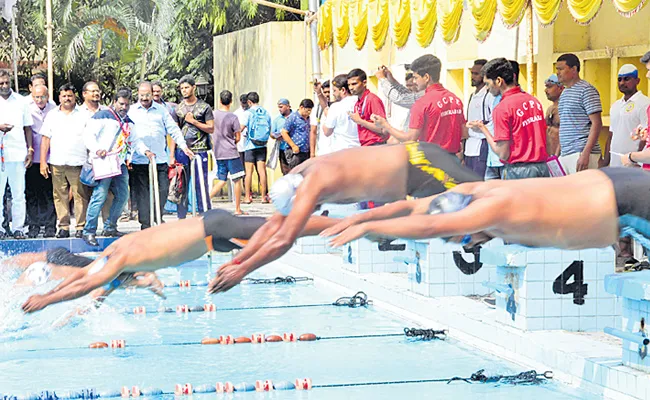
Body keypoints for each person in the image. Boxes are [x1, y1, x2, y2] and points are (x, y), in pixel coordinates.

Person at [210, 142, 482, 287]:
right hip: (412, 184)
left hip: (421, 163)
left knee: (483, 194)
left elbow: (284, 240)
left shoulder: (314, 184)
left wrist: (243, 271)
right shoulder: (297, 174)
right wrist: (237, 261)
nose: (309, 211)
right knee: (464, 219)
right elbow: (273, 228)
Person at [21, 209, 338, 312]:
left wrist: (46, 301)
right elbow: (87, 279)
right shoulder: (114, 252)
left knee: (283, 228)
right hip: (210, 234)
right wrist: (48, 295)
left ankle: (337, 222)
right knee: (279, 226)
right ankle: (326, 219)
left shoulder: (120, 258)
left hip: (213, 229)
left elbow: (87, 284)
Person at [322, 168, 646, 255]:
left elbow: (428, 227)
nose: (472, 243)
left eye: (463, 240)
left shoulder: (490, 209)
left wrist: (368, 229)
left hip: (627, 203)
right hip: (612, 183)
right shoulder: (473, 190)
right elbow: (412, 206)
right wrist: (358, 216)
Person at [82, 87, 145, 246]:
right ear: (114, 102)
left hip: (119, 164)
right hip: (103, 162)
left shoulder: (128, 122)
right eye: (121, 104)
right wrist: (97, 149)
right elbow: (88, 135)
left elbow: (135, 141)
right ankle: (89, 231)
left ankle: (110, 226)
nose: (124, 107)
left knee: (123, 196)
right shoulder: (102, 116)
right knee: (100, 196)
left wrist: (146, 151)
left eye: (127, 105)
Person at [371, 54, 465, 158]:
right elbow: (464, 133)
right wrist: (390, 78)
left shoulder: (422, 102)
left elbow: (410, 139)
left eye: (416, 78)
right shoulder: (455, 99)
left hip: (432, 161)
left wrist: (385, 125)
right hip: (452, 160)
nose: (414, 82)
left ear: (426, 77)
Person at [128, 82, 193, 230]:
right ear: (138, 94)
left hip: (159, 158)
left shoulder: (161, 110)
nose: (144, 98)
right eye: (141, 95)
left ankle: (157, 217)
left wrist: (183, 146)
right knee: (143, 194)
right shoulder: (132, 111)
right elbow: (130, 136)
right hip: (141, 159)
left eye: (147, 95)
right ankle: (146, 224)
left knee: (163, 189)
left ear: (153, 94)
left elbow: (173, 129)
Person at [473, 58, 549, 179]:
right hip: (542, 168)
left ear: (498, 81)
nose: (487, 88)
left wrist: (483, 129)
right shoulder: (533, 101)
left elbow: (503, 153)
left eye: (487, 84)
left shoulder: (502, 108)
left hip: (518, 172)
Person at [40, 83, 91, 239]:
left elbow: (91, 139)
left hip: (78, 162)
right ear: (59, 97)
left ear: (75, 97)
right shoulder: (52, 115)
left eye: (70, 95)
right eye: (64, 96)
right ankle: (63, 227)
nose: (67, 98)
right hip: (57, 162)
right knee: (59, 195)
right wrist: (43, 161)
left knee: (80, 195)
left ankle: (80, 227)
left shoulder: (84, 115)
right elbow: (45, 139)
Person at [171, 75, 214, 218]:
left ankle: (205, 215)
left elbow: (211, 128)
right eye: (182, 88)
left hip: (199, 150)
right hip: (182, 151)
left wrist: (194, 122)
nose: (184, 90)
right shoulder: (178, 109)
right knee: (181, 185)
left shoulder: (204, 107)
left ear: (193, 87)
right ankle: (181, 217)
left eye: (187, 87)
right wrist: (172, 155)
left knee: (201, 184)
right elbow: (174, 133)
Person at [556, 53, 604, 173]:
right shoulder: (564, 93)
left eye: (561, 69)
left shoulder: (587, 90)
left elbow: (597, 123)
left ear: (574, 69)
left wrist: (585, 153)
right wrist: (557, 155)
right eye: (557, 69)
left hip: (581, 153)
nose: (558, 73)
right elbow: (565, 126)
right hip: (566, 154)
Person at [0, 69, 34, 239]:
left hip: (18, 153)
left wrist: (30, 150)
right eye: (1, 84)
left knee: (18, 194)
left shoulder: (21, 101)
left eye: (7, 82)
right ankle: (0, 228)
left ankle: (18, 228)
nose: (5, 86)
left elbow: (28, 127)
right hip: (0, 155)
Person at [25, 84, 57, 238]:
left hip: (50, 157)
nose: (39, 99)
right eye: (36, 97)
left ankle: (50, 226)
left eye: (42, 96)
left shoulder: (54, 108)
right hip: (31, 156)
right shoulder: (26, 106)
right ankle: (34, 226)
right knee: (32, 193)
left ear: (48, 96)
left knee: (49, 193)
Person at [210, 90, 245, 215]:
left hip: (218, 152)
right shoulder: (233, 117)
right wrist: (233, 141)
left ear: (220, 100)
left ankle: (206, 202)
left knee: (221, 180)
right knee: (237, 180)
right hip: (231, 152)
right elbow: (238, 136)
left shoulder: (213, 115)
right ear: (231, 101)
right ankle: (237, 208)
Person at [609, 65, 649, 167]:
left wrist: (637, 160)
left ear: (637, 81)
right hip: (615, 164)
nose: (622, 83)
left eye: (627, 79)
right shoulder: (615, 106)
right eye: (619, 79)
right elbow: (611, 135)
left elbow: (646, 136)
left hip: (634, 166)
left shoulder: (644, 103)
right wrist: (606, 162)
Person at [464, 59, 492, 177]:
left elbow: (492, 123)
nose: (473, 76)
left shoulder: (489, 95)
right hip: (469, 148)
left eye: (476, 74)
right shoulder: (472, 95)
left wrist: (474, 128)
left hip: (481, 147)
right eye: (472, 73)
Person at [347, 68, 388, 146]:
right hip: (364, 145)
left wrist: (360, 121)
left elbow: (383, 128)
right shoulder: (357, 103)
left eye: (354, 84)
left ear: (364, 83)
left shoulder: (372, 100)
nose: (351, 88)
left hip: (376, 144)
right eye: (349, 85)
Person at [241, 92, 270, 203]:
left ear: (249, 102)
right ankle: (263, 197)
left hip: (250, 145)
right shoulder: (266, 113)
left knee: (249, 172)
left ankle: (247, 197)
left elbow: (241, 127)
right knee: (262, 171)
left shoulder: (248, 113)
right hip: (263, 145)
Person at [321, 74, 360, 152]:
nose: (333, 94)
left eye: (335, 90)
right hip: (360, 149)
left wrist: (327, 116)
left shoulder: (336, 107)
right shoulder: (361, 102)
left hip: (342, 151)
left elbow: (327, 132)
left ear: (343, 90)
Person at [279, 99, 314, 174]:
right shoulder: (293, 118)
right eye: (307, 110)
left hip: (306, 152)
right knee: (294, 174)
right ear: (301, 107)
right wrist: (293, 146)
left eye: (310, 111)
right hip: (295, 152)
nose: (309, 113)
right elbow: (284, 132)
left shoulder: (308, 119)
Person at [544, 74, 563, 157]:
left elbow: (564, 134)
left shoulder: (565, 109)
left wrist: (556, 154)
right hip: (550, 157)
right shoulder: (549, 109)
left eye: (550, 87)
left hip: (562, 156)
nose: (546, 90)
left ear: (560, 88)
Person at [310, 80, 331, 156]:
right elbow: (313, 131)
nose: (327, 95)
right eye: (325, 92)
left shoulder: (339, 106)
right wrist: (312, 153)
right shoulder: (317, 109)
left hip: (337, 151)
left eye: (329, 92)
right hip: (322, 151)